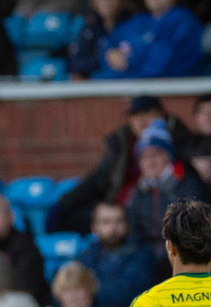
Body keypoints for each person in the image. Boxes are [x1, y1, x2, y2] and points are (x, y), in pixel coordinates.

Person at [49, 95, 195, 234]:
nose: (141, 120)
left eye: (147, 113)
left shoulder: (179, 142)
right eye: (135, 116)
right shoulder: (121, 143)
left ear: (162, 115)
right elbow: (96, 180)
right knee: (66, 218)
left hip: (148, 211)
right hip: (118, 206)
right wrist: (63, 204)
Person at [127, 121, 211, 273]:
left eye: (155, 154)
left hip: (181, 259)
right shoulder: (139, 192)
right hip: (146, 261)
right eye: (144, 157)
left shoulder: (187, 185)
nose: (150, 161)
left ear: (168, 156)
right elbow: (132, 231)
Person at [78, 202, 154, 307]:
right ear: (93, 227)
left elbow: (126, 292)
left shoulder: (143, 254)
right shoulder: (86, 255)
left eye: (119, 221)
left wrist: (90, 287)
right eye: (106, 222)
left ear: (128, 224)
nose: (113, 228)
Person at [94, 0, 203, 79]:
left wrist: (128, 62)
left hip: (169, 92)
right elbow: (107, 51)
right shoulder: (139, 20)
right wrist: (110, 55)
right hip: (128, 83)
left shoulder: (182, 21)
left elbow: (156, 69)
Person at [68, 0, 136, 78]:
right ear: (94, 3)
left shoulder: (134, 24)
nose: (106, 2)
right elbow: (75, 63)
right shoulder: (90, 27)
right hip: (100, 83)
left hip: (131, 81)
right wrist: (105, 58)